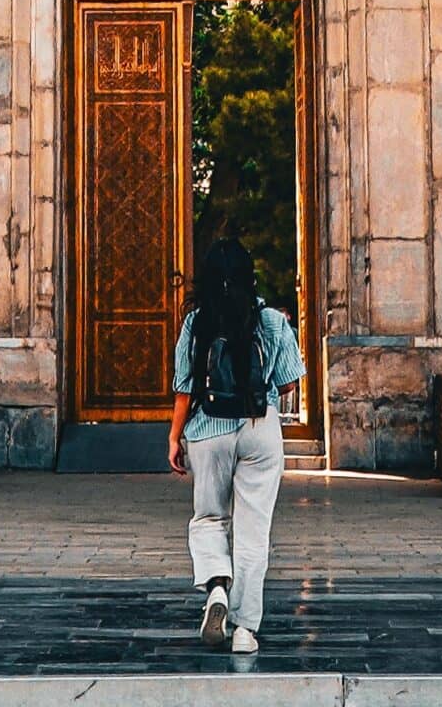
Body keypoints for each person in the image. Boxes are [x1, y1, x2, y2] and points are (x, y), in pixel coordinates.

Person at [167, 236, 305, 655]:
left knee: (209, 518)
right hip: (259, 427)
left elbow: (184, 390)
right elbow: (289, 382)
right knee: (253, 532)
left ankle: (216, 590)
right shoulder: (272, 321)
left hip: (209, 430)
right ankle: (245, 629)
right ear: (251, 275)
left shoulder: (197, 322)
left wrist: (175, 437)